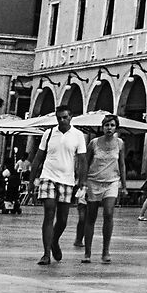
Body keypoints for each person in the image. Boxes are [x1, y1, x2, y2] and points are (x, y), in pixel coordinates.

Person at [35, 107, 89, 266]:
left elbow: (83, 160)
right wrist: (33, 180)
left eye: (65, 117)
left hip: (67, 179)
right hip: (48, 176)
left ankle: (54, 241)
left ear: (71, 117)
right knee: (49, 212)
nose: (62, 120)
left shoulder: (78, 135)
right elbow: (38, 157)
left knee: (63, 219)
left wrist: (82, 180)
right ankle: (46, 254)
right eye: (59, 118)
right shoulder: (49, 133)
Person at [77, 114, 125, 263]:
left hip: (112, 182)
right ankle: (88, 252)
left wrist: (124, 184)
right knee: (91, 217)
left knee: (109, 213)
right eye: (106, 125)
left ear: (116, 128)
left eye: (112, 125)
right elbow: (86, 162)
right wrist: (82, 181)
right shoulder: (94, 143)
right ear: (102, 127)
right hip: (93, 181)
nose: (109, 128)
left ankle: (106, 251)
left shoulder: (120, 143)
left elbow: (122, 163)